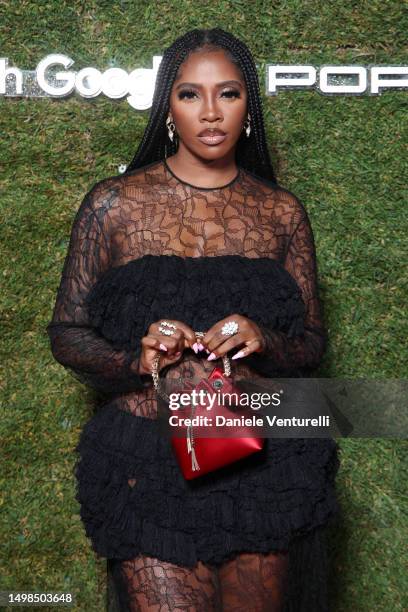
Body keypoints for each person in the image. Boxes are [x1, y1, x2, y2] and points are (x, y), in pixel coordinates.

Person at [46, 28, 340, 612]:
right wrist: (138, 357)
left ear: (247, 106)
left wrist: (266, 340)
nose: (210, 113)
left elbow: (310, 344)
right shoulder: (114, 204)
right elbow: (68, 333)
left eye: (228, 94)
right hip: (148, 460)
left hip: (261, 458)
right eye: (190, 95)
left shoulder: (280, 212)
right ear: (167, 107)